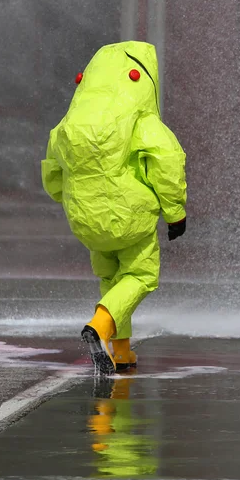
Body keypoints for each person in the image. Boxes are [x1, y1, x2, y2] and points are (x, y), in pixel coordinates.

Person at [41, 41, 187, 375]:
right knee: (140, 275)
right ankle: (100, 325)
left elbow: (52, 175)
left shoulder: (69, 122)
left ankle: (120, 351)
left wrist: (76, 200)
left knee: (111, 276)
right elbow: (165, 164)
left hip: (86, 221)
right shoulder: (139, 119)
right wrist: (175, 213)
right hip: (129, 218)